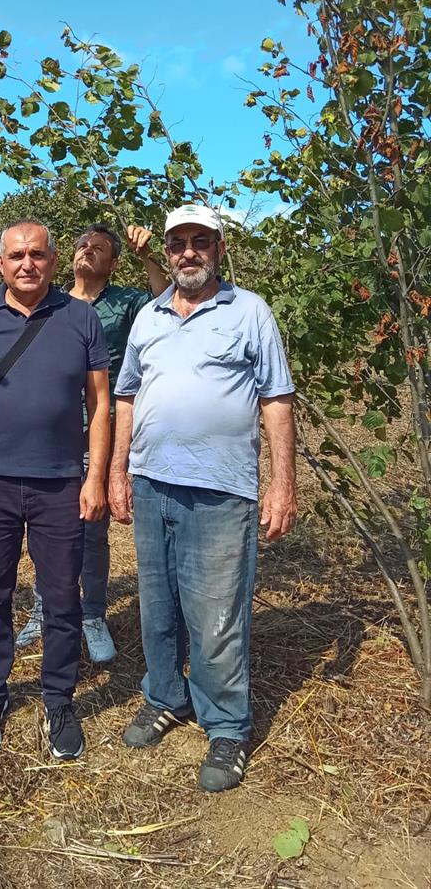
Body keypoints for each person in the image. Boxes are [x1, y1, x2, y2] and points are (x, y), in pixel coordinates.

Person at [108, 204, 297, 792]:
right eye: (177, 243)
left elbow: (276, 399)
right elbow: (126, 397)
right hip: (151, 483)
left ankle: (227, 727)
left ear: (219, 248)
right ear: (165, 252)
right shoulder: (150, 316)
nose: (188, 252)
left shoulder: (249, 311)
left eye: (201, 241)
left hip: (221, 491)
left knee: (217, 616)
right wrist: (117, 471)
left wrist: (283, 483)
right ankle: (166, 696)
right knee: (157, 607)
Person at [0, 220, 111, 760]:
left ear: (53, 261)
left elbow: (100, 402)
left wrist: (96, 477)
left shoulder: (80, 317)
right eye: (16, 256)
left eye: (37, 254)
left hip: (61, 481)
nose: (27, 264)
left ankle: (59, 701)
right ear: (1, 264)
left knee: (61, 596)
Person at [15, 223, 168, 663]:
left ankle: (93, 614)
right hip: (49, 434)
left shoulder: (128, 303)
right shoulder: (50, 301)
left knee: (91, 528)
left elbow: (167, 302)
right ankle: (44, 608)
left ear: (113, 263)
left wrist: (146, 256)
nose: (86, 250)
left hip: (97, 432)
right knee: (44, 527)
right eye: (82, 244)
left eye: (98, 247)